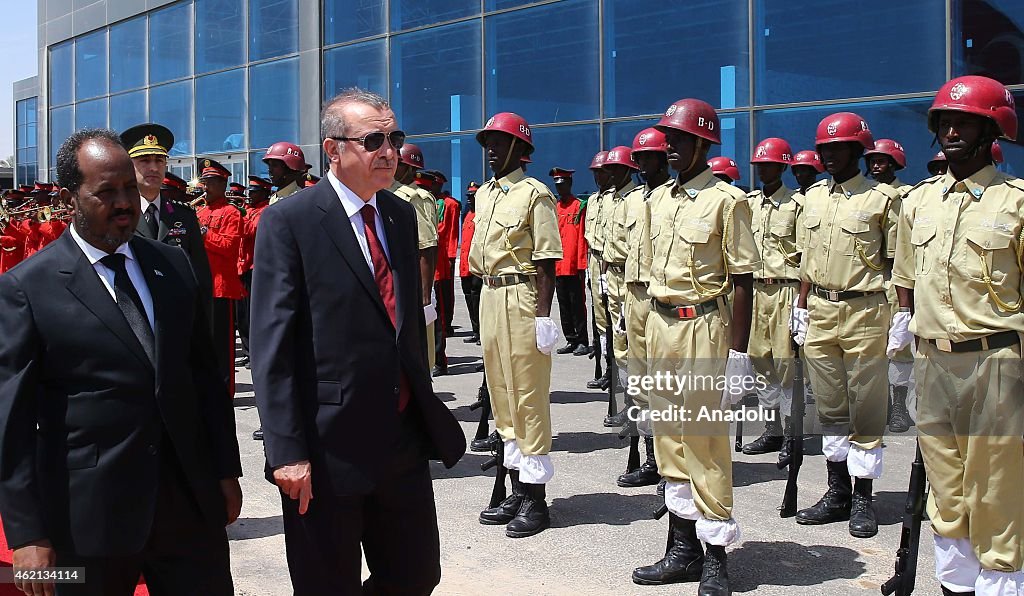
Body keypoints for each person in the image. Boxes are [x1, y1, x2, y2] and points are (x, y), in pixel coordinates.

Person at [0, 128, 242, 596]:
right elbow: (11, 422)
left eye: (129, 188)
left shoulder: (171, 265)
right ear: (72, 199)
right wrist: (28, 532)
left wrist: (224, 471)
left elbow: (205, 382)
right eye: (106, 192)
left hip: (187, 508)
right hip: (88, 519)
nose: (124, 202)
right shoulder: (28, 288)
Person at [250, 88, 464, 595]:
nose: (388, 151)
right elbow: (271, 346)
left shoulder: (399, 214)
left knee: (416, 573)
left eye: (394, 138)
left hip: (400, 437)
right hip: (327, 448)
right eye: (373, 140)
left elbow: (402, 325)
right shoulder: (291, 221)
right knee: (327, 583)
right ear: (333, 149)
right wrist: (286, 451)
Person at [892, 75, 1024, 596]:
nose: (951, 129)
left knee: (994, 489)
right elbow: (904, 277)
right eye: (944, 120)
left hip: (995, 361)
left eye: (964, 121)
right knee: (946, 491)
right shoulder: (919, 202)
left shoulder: (1014, 202)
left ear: (990, 129)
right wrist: (903, 336)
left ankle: (1001, 581)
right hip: (932, 361)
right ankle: (955, 587)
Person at [632, 98, 757, 594]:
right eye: (670, 139)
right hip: (660, 325)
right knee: (669, 438)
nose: (673, 147)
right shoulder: (656, 201)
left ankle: (716, 559)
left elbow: (743, 279)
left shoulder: (727, 201)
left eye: (682, 139)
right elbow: (645, 280)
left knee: (705, 441)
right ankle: (681, 548)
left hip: (704, 325)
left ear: (704, 142)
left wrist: (739, 354)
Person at [790, 112, 901, 539]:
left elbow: (897, 264)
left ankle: (863, 497)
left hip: (865, 310)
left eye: (838, 148)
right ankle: (836, 491)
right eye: (824, 149)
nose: (829, 156)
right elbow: (806, 260)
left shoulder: (882, 199)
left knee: (866, 406)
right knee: (830, 405)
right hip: (819, 308)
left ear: (858, 150)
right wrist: (800, 306)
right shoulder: (812, 199)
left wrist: (900, 314)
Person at [470, 112, 562, 538]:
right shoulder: (486, 195)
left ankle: (536, 499)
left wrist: (543, 316)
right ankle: (516, 485)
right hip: (491, 295)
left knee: (527, 394)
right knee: (502, 392)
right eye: (487, 142)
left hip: (522, 296)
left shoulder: (534, 194)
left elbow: (546, 261)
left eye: (499, 142)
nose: (490, 150)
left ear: (520, 150)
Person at [616, 127, 670, 489]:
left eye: (649, 156)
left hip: (663, 300)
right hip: (633, 297)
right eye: (638, 157)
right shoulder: (631, 201)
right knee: (639, 383)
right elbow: (623, 252)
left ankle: (673, 465)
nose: (642, 163)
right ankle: (652, 458)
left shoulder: (674, 198)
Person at [741, 137, 801, 458]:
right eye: (760, 165)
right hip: (754, 290)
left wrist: (803, 304)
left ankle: (792, 433)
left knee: (785, 362)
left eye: (770, 165)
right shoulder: (748, 204)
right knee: (758, 358)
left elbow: (807, 257)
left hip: (784, 289)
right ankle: (771, 429)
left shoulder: (796, 206)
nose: (764, 170)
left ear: (782, 166)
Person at [120, 123, 213, 317]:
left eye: (159, 160)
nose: (153, 167)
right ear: (129, 166)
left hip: (178, 316)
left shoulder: (184, 215)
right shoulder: (119, 215)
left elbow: (201, 277)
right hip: (135, 318)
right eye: (144, 160)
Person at [865, 138, 916, 434]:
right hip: (873, 278)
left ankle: (898, 405)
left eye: (882, 161)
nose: (875, 165)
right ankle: (880, 403)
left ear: (895, 163)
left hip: (898, 276)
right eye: (872, 160)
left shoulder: (907, 195)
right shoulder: (866, 195)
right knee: (872, 344)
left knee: (900, 347)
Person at [195, 158, 245, 397]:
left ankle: (225, 392)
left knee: (222, 347)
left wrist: (204, 234)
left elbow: (229, 246)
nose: (205, 187)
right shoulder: (200, 211)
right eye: (204, 182)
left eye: (210, 183)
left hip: (221, 288)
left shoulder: (232, 213)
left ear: (222, 184)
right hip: (201, 287)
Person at [389, 144, 440, 370]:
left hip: (412, 287)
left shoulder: (415, 198)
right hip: (390, 282)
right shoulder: (383, 193)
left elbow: (427, 248)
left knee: (418, 354)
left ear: (410, 169)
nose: (392, 166)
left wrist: (425, 297)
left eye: (399, 163)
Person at [600, 146, 639, 422]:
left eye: (614, 168)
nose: (609, 173)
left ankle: (636, 401)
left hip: (629, 277)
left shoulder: (636, 199)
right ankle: (627, 397)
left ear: (627, 170)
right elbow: (605, 242)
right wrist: (602, 275)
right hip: (611, 275)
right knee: (618, 341)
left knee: (633, 342)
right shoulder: (609, 200)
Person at [550, 167, 589, 355]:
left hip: (573, 265)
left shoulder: (579, 206)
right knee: (563, 304)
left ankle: (582, 340)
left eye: (563, 184)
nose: (560, 188)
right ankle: (571, 339)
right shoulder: (554, 208)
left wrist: (582, 264)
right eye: (557, 185)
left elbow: (582, 237)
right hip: (558, 265)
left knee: (577, 304)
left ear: (570, 184)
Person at [236, 176, 272, 370]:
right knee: (242, 316)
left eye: (254, 191)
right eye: (249, 191)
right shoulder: (250, 210)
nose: (249, 194)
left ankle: (255, 354)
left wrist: (238, 213)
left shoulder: (265, 211)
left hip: (254, 267)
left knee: (252, 314)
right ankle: (247, 351)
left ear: (264, 193)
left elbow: (250, 231)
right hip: (242, 266)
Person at [584, 151, 612, 387]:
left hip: (609, 263)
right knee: (599, 319)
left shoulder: (617, 199)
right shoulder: (593, 200)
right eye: (595, 173)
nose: (598, 177)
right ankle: (604, 365)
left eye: (601, 172)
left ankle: (614, 369)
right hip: (593, 261)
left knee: (614, 321)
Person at [460, 182, 482, 344]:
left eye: (472, 196)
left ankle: (482, 331)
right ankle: (475, 330)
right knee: (469, 298)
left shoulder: (482, 215)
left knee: (478, 298)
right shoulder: (467, 214)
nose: (469, 199)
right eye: (468, 196)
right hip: (465, 265)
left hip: (476, 265)